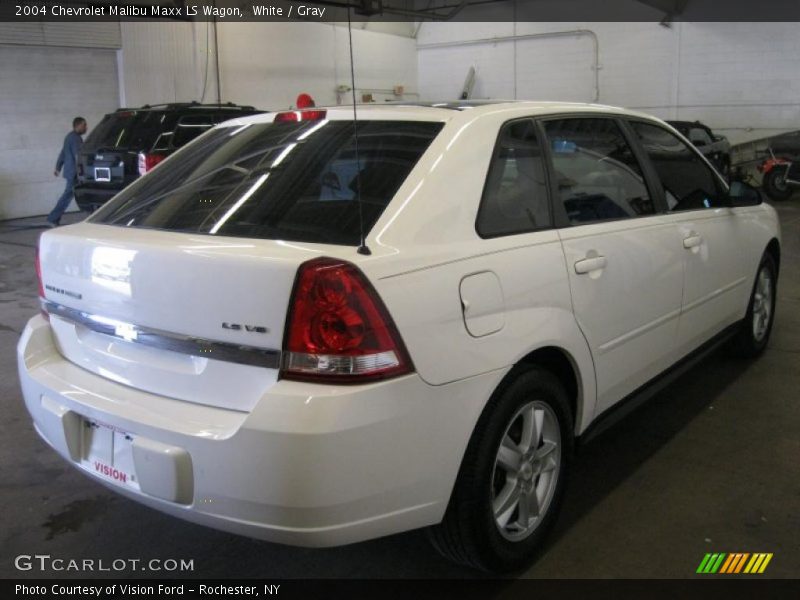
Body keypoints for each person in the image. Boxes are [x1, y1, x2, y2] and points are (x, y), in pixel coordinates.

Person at [48, 117, 87, 227]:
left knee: (71, 194)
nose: (86, 127)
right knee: (68, 195)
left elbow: (63, 153)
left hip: (70, 172)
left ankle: (54, 218)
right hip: (75, 173)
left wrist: (58, 167)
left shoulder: (69, 137)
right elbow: (78, 156)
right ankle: (53, 218)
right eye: (84, 125)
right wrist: (83, 171)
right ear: (78, 125)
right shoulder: (76, 139)